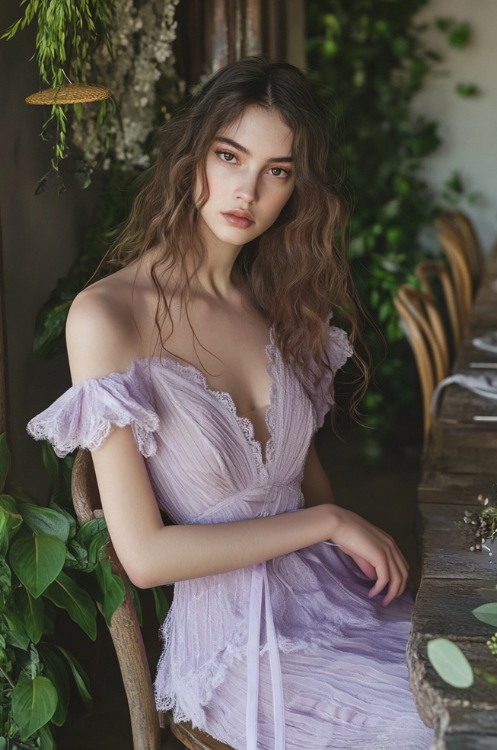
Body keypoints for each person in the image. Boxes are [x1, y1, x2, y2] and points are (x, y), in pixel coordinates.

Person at [28, 57, 433, 750]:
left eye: (277, 170)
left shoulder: (279, 304)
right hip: (238, 655)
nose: (247, 189)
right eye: (229, 155)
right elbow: (146, 556)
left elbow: (300, 486)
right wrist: (332, 522)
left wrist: (330, 526)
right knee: (442, 728)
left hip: (335, 605)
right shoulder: (106, 318)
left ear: (294, 191)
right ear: (194, 160)